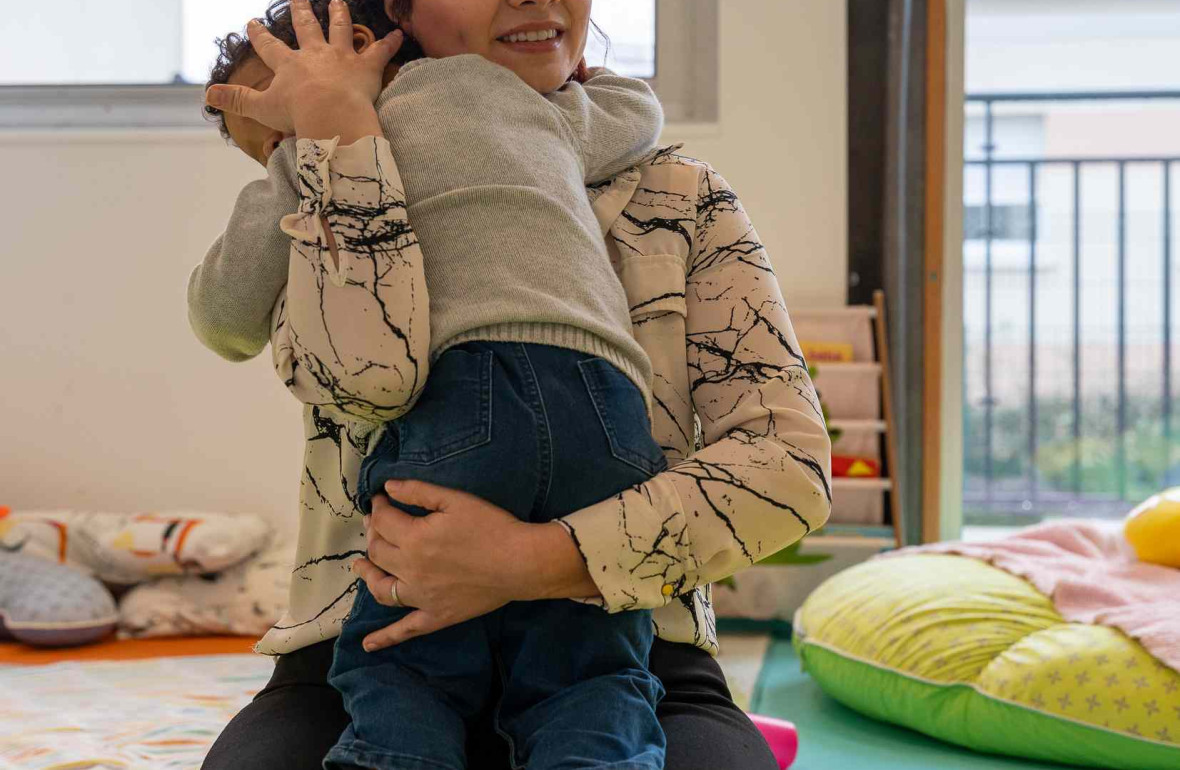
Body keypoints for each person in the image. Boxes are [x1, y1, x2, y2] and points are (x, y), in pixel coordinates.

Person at [191, 1, 832, 768]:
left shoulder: (680, 197)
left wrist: (536, 560)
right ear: (393, 13)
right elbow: (372, 381)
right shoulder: (321, 174)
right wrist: (336, 146)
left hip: (632, 638)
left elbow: (786, 470)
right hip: (368, 640)